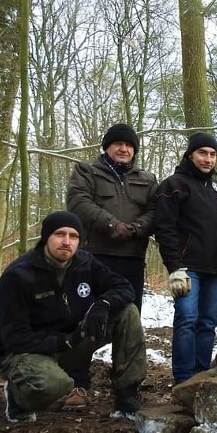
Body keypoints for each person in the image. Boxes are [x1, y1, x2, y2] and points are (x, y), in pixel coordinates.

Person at [0, 211, 148, 422]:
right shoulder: (18, 276)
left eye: (74, 236)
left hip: (72, 339)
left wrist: (102, 304)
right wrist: (62, 341)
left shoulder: (85, 263)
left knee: (127, 312)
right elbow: (14, 338)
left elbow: (123, 287)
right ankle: (19, 398)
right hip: (24, 351)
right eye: (60, 234)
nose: (66, 242)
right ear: (46, 237)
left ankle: (127, 395)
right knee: (55, 385)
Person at [152, 132, 217, 384]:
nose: (208, 159)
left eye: (212, 154)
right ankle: (184, 379)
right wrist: (174, 267)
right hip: (188, 269)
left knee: (208, 323)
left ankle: (201, 375)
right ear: (190, 155)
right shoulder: (174, 185)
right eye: (202, 153)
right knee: (187, 319)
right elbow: (165, 228)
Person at [67, 123, 158, 313]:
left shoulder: (148, 179)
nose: (123, 149)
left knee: (130, 315)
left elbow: (156, 210)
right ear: (107, 147)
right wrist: (112, 225)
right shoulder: (87, 171)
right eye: (118, 143)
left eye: (129, 145)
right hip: (94, 256)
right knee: (89, 315)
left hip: (132, 259)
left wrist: (137, 228)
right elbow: (79, 203)